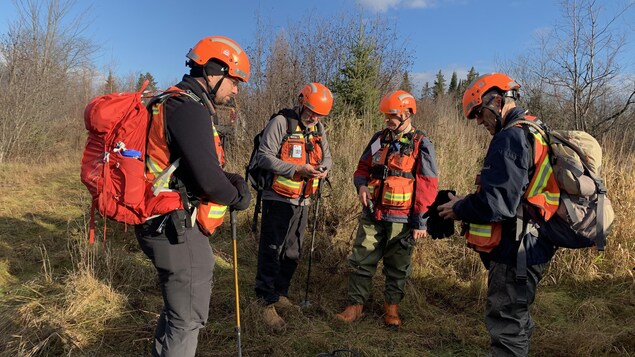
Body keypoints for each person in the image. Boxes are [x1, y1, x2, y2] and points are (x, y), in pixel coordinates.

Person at [135, 36, 252, 357]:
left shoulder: (170, 101)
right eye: (235, 80)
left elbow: (187, 165)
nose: (237, 90)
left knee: (178, 314)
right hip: (175, 228)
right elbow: (209, 183)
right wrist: (238, 196)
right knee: (187, 320)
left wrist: (232, 180)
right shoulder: (189, 109)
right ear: (214, 72)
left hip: (160, 219)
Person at [438, 73, 560, 356]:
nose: (479, 121)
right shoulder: (535, 129)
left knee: (506, 325)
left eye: (479, 113)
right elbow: (516, 193)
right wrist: (468, 200)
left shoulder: (510, 137)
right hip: (534, 243)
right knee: (517, 319)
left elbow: (498, 205)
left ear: (497, 99)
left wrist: (458, 208)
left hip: (516, 250)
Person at [336, 90, 438, 327]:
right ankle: (355, 306)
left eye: (391, 115)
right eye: (386, 115)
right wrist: (361, 186)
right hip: (373, 212)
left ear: (407, 114)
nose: (387, 120)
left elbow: (428, 184)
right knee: (361, 259)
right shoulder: (378, 139)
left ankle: (391, 309)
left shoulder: (422, 144)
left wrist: (421, 221)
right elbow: (362, 167)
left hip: (401, 221)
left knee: (398, 266)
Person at [254, 82, 334, 329]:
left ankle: (281, 293)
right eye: (311, 110)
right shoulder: (281, 122)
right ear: (301, 102)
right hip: (277, 198)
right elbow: (263, 156)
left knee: (292, 251)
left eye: (320, 113)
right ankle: (264, 302)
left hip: (303, 199)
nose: (314, 117)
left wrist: (324, 170)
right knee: (272, 249)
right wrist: (297, 169)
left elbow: (328, 157)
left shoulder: (318, 127)